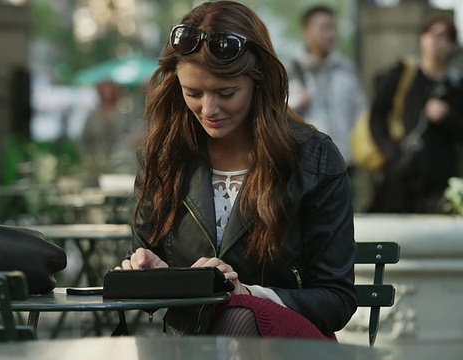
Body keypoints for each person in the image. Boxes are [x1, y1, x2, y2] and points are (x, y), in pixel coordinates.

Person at [116, 1, 356, 339]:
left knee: (239, 317)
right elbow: (142, 291)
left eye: (226, 93)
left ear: (259, 82)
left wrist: (250, 295)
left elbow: (338, 299)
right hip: (193, 347)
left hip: (288, 344)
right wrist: (158, 275)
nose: (209, 109)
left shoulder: (313, 158)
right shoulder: (165, 157)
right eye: (193, 93)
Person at [368, 15, 463, 213]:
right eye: (430, 34)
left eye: (443, 35)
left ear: (453, 45)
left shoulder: (456, 86)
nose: (435, 40)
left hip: (439, 183)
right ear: (421, 39)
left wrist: (447, 117)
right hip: (400, 177)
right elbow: (377, 117)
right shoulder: (403, 73)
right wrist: (392, 155)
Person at [287, 5, 368, 183]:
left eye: (332, 28)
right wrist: (297, 102)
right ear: (306, 31)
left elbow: (360, 111)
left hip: (344, 161)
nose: (329, 34)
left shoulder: (346, 70)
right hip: (305, 163)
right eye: (323, 28)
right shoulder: (291, 70)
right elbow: (276, 112)